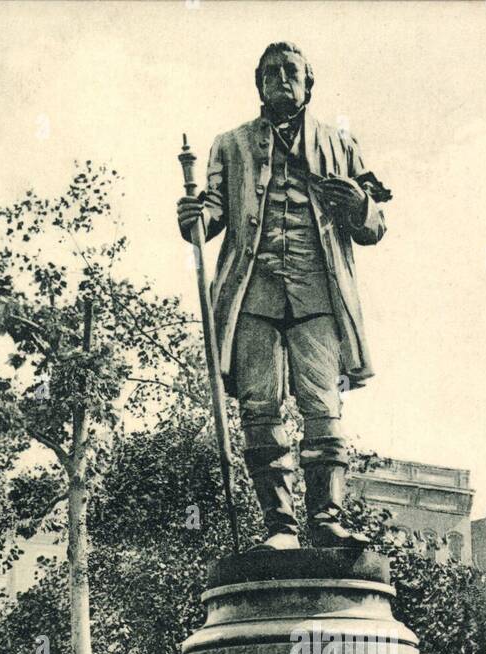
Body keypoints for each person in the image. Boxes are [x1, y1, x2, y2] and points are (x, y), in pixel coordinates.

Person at [177, 41, 389, 550]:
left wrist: (361, 206)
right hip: (253, 295)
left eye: (291, 71)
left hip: (319, 291)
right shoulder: (229, 145)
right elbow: (211, 214)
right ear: (259, 84)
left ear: (308, 84)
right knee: (260, 408)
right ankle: (280, 527)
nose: (281, 78)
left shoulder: (341, 144)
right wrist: (194, 219)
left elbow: (375, 227)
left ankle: (327, 519)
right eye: (270, 72)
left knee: (322, 405)